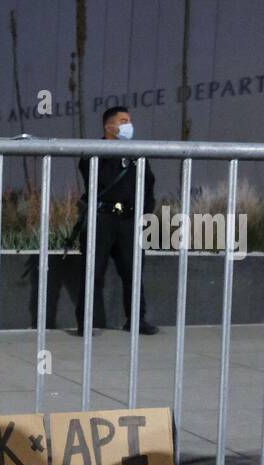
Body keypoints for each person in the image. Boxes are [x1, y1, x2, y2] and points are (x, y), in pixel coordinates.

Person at [74, 106, 158, 336]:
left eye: (129, 121)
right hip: (102, 218)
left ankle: (136, 320)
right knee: (93, 272)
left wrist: (145, 212)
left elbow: (149, 184)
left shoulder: (137, 154)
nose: (128, 125)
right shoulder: (93, 152)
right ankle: (86, 322)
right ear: (109, 126)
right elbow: (99, 179)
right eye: (123, 121)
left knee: (133, 272)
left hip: (129, 221)